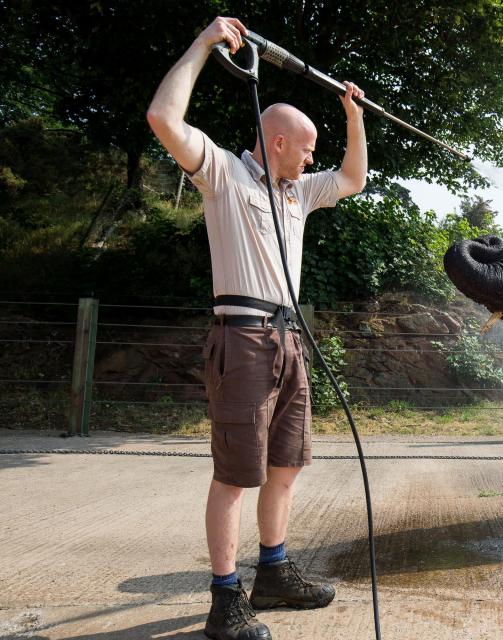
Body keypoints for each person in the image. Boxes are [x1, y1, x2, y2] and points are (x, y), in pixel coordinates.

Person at [146, 16, 367, 640]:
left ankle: (273, 571)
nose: (312, 158)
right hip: (240, 336)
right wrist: (202, 43)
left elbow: (353, 178)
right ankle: (224, 599)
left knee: (286, 466)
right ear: (276, 142)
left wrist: (352, 115)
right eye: (307, 147)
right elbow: (163, 120)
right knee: (236, 472)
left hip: (290, 338)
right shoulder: (224, 174)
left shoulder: (298, 193)